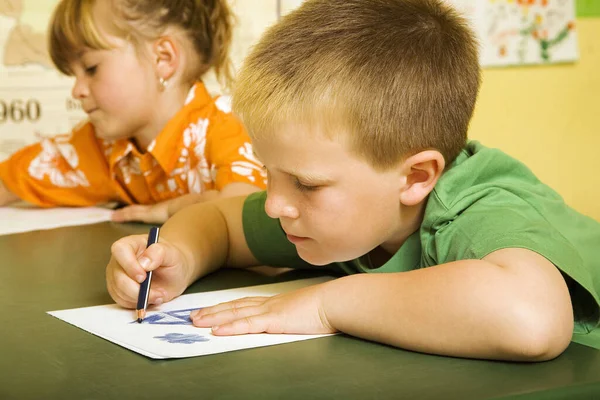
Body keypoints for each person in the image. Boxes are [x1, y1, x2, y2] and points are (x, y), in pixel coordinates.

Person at [105, 0, 600, 361]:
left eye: (305, 183)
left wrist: (327, 304)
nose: (276, 204)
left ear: (415, 178)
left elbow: (531, 320)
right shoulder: (336, 208)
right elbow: (217, 219)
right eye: (267, 173)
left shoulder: (474, 212)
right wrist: (176, 258)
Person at [0, 0, 266, 224]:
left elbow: (245, 213)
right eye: (73, 75)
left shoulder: (227, 126)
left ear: (163, 58)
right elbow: (10, 179)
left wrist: (170, 210)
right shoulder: (100, 148)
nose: (77, 90)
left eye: (91, 68)